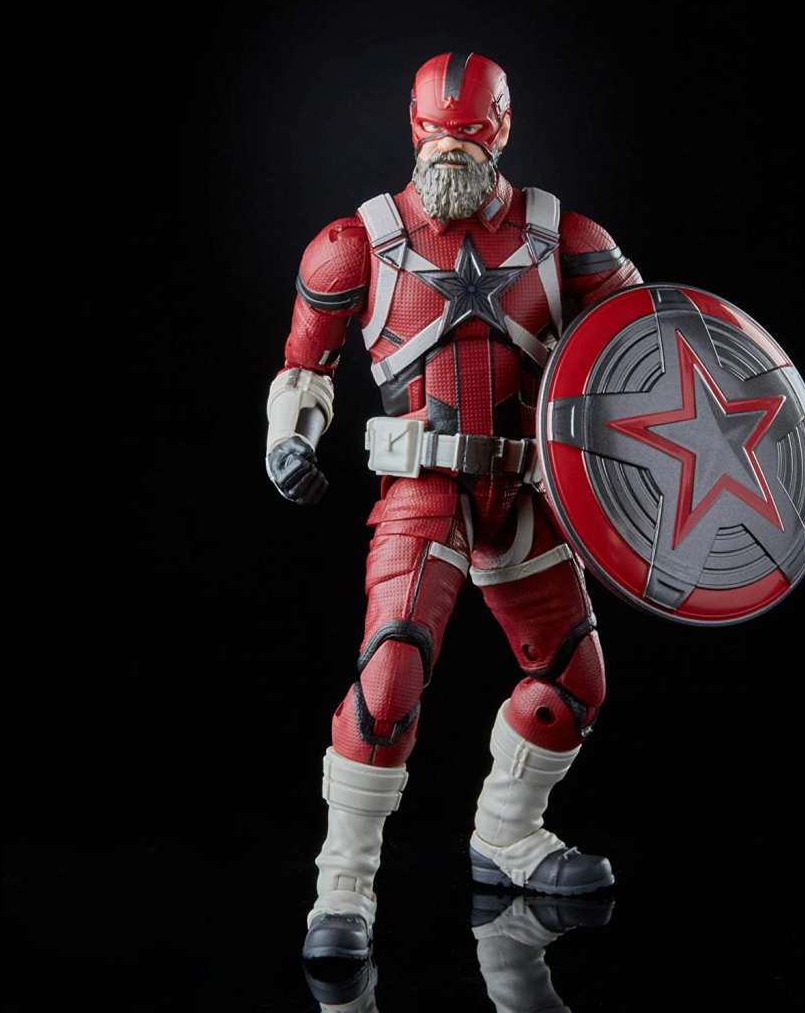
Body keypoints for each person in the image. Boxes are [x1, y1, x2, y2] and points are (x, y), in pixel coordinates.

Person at [264, 52, 642, 961]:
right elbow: (305, 368)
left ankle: (507, 835)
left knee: (574, 682)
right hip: (421, 492)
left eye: (468, 134)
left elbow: (642, 349)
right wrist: (290, 441)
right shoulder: (356, 243)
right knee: (389, 679)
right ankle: (342, 889)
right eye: (436, 133)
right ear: (411, 125)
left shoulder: (564, 238)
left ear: (502, 128)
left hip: (525, 490)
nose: (450, 151)